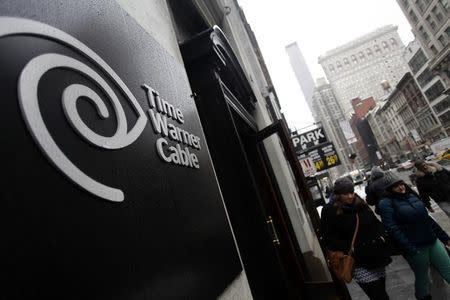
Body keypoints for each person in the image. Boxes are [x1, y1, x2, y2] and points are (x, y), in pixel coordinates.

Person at [378, 173, 450, 300]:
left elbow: (427, 219)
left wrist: (445, 238)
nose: (401, 188)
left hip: (432, 241)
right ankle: (423, 297)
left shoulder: (411, 196)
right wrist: (410, 248)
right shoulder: (386, 203)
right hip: (415, 247)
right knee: (423, 279)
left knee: (448, 268)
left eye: (401, 184)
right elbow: (393, 229)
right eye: (396, 186)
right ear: (389, 189)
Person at [321, 177, 392, 300]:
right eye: (345, 194)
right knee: (379, 296)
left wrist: (382, 237)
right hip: (358, 262)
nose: (350, 196)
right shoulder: (330, 210)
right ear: (338, 195)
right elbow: (328, 238)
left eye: (351, 192)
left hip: (376, 255)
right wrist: (351, 249)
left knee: (381, 292)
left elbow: (375, 223)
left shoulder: (360, 204)